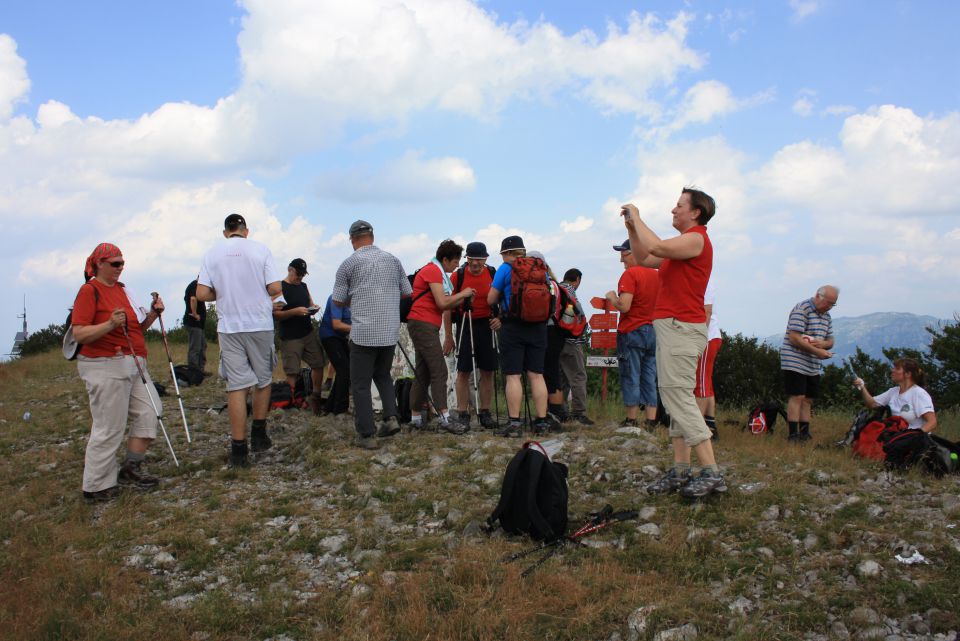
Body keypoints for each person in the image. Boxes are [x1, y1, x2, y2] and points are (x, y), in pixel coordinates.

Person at [623, 188, 726, 498]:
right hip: (673, 326)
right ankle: (681, 470)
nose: (673, 210)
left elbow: (655, 245)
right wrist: (631, 228)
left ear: (696, 212)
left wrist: (638, 217)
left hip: (682, 326)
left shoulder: (696, 239)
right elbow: (643, 257)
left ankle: (711, 472)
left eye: (679, 205)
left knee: (676, 396)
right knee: (673, 396)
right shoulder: (683, 247)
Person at [71, 243, 165, 501]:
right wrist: (109, 323)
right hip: (103, 363)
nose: (120, 268)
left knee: (151, 412)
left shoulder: (124, 290)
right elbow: (79, 332)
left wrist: (153, 316)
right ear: (99, 264)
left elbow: (134, 329)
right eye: (115, 263)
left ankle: (130, 467)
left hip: (134, 362)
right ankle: (96, 486)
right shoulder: (89, 291)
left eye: (122, 263)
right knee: (109, 425)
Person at [196, 213, 282, 467]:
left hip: (229, 326)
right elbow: (275, 288)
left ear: (226, 232)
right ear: (246, 231)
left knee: (236, 386)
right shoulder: (260, 250)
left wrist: (222, 292)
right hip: (259, 323)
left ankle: (238, 449)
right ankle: (258, 431)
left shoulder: (212, 253)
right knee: (263, 380)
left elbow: (201, 293)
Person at [331, 220, 411, 449]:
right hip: (389, 330)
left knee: (360, 384)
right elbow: (407, 292)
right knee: (383, 375)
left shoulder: (348, 264)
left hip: (363, 331)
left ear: (352, 239)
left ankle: (367, 434)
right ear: (372, 237)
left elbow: (337, 300)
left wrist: (354, 298)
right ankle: (391, 418)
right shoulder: (393, 260)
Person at [407, 240, 476, 432]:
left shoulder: (436, 271)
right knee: (439, 370)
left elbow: (444, 303)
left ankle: (415, 419)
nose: (456, 266)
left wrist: (464, 297)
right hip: (423, 324)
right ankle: (445, 418)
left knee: (423, 372)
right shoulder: (432, 271)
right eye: (455, 262)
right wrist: (463, 293)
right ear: (445, 259)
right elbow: (442, 302)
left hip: (423, 323)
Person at [487, 235, 552, 436]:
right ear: (522, 251)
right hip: (539, 326)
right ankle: (541, 422)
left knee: (513, 375)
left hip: (513, 326)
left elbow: (491, 298)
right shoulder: (540, 268)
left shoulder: (505, 269)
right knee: (536, 374)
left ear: (506, 253)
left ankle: (514, 424)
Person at [444, 241, 500, 430]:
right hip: (464, 324)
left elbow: (503, 298)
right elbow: (447, 307)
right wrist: (449, 337)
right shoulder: (457, 276)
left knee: (487, 370)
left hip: (487, 324)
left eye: (480, 259)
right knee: (464, 370)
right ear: (467, 259)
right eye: (472, 259)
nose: (476, 263)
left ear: (485, 259)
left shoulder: (493, 273)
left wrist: (500, 318)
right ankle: (463, 412)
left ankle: (484, 411)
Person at [605, 239, 660, 430]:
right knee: (649, 375)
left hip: (632, 330)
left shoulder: (630, 274)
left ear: (635, 253)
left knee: (631, 374)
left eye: (624, 253)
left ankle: (631, 419)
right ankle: (651, 420)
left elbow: (625, 305)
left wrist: (612, 297)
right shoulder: (657, 275)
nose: (621, 259)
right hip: (653, 331)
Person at [780, 285, 838, 442]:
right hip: (794, 359)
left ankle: (805, 433)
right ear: (818, 296)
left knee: (808, 398)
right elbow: (794, 337)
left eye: (833, 304)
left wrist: (823, 345)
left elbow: (831, 341)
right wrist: (817, 351)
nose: (830, 307)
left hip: (812, 363)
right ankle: (793, 434)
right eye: (828, 302)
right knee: (797, 396)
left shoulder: (826, 317)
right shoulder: (802, 309)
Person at [273, 258, 326, 411]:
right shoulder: (280, 288)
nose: (300, 278)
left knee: (318, 362)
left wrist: (313, 308)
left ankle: (315, 395)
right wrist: (295, 312)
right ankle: (290, 400)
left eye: (303, 275)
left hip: (307, 332)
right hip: (290, 336)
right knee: (292, 370)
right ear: (290, 270)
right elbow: (276, 314)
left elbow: (310, 303)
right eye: (298, 274)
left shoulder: (303, 286)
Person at [528, 250, 565, 430]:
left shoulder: (541, 284)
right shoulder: (554, 284)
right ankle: (556, 412)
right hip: (557, 331)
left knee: (543, 373)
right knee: (553, 373)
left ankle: (551, 414)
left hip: (543, 330)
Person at [853, 358, 936, 433]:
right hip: (896, 437)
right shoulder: (893, 392)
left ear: (908, 374)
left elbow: (932, 422)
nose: (893, 370)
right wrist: (862, 387)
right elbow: (872, 404)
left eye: (897, 369)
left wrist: (916, 436)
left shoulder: (918, 393)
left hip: (913, 441)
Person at [557, 268, 594, 425]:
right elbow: (580, 315)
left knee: (562, 378)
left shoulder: (556, 289)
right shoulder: (570, 292)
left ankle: (560, 411)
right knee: (578, 376)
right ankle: (579, 412)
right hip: (572, 342)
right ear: (577, 279)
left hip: (556, 341)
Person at [695, 276, 722, 440]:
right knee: (706, 382)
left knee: (701, 383)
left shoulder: (704, 280)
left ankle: (697, 428)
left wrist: (699, 337)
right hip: (709, 336)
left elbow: (707, 310)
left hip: (706, 337)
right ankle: (710, 424)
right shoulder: (702, 278)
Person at [318, 294, 351, 415]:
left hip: (341, 338)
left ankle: (329, 406)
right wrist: (358, 328)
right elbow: (336, 324)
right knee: (344, 370)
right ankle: (340, 409)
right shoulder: (336, 297)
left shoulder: (357, 297)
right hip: (329, 336)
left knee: (347, 369)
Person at [182, 277, 207, 374]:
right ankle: (193, 371)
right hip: (193, 323)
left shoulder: (198, 286)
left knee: (202, 345)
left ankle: (200, 370)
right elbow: (193, 299)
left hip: (198, 325)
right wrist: (195, 314)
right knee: (195, 348)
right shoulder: (194, 285)